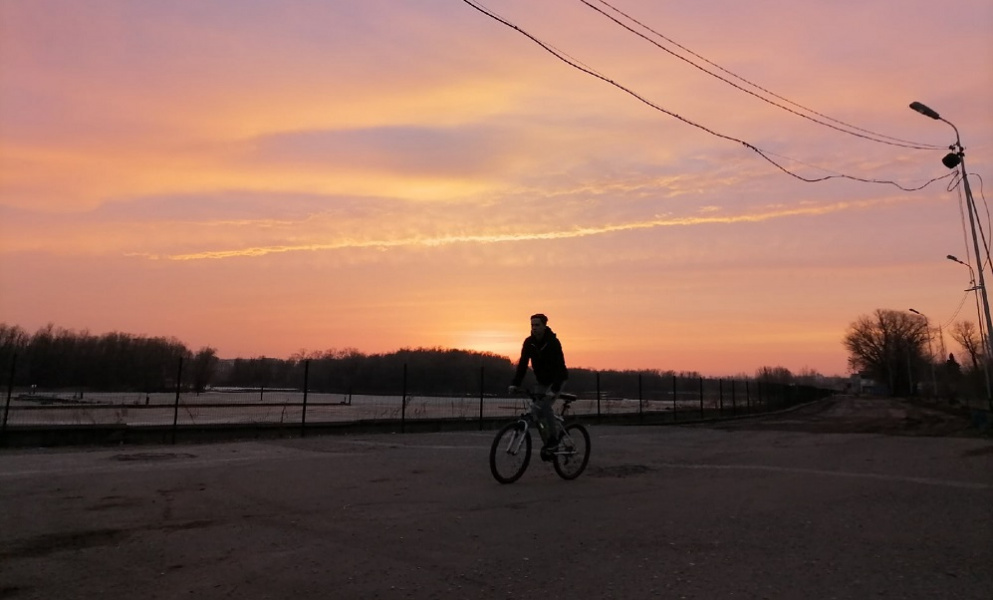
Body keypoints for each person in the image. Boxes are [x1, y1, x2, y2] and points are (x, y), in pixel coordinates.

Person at [508, 313, 569, 460]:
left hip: (557, 380)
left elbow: (561, 368)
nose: (534, 328)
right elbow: (523, 364)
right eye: (532, 325)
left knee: (545, 406)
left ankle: (554, 440)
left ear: (544, 326)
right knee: (537, 413)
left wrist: (554, 389)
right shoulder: (529, 342)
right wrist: (515, 383)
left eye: (537, 325)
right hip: (542, 381)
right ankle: (548, 445)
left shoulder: (553, 342)